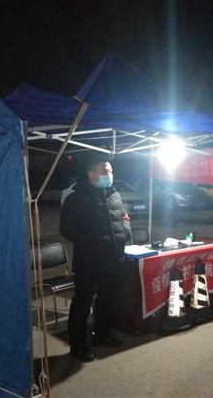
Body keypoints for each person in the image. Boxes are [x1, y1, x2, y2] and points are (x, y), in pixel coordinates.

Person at [60, 155, 131, 362]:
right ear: (91, 174)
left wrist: (125, 234)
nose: (109, 175)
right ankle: (78, 345)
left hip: (114, 258)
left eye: (110, 171)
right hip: (89, 260)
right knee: (82, 303)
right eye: (104, 171)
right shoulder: (76, 199)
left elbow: (124, 218)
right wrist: (92, 241)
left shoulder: (114, 195)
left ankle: (102, 334)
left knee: (107, 299)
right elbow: (66, 229)